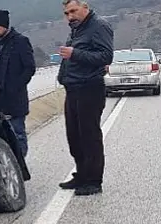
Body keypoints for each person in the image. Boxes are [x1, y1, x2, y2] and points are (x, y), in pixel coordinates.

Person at [56, 0, 114, 196]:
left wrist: (75, 53)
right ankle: (81, 174)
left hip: (90, 88)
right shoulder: (77, 29)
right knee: (74, 136)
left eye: (73, 11)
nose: (70, 16)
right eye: (66, 13)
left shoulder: (99, 26)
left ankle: (93, 180)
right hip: (72, 89)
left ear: (85, 7)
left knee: (90, 137)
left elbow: (106, 56)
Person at [0, 9, 36, 158]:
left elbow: (30, 68)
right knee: (3, 138)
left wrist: (16, 86)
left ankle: (20, 170)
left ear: (6, 25)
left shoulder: (20, 41)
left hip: (15, 100)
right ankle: (11, 168)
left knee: (18, 135)